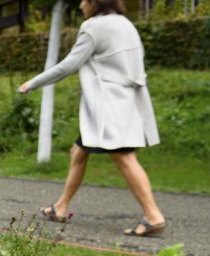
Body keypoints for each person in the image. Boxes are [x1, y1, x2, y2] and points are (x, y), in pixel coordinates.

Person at [18, 0, 165, 237]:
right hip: (127, 102)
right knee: (79, 152)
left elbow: (69, 65)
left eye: (85, 0)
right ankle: (60, 207)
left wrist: (32, 83)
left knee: (124, 157)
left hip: (109, 108)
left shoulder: (93, 27)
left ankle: (153, 215)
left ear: (96, 2)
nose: (80, 4)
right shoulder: (126, 24)